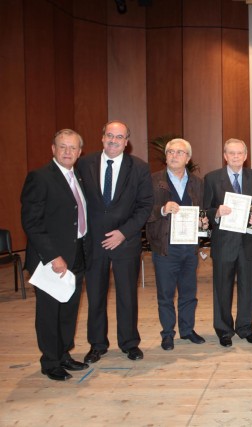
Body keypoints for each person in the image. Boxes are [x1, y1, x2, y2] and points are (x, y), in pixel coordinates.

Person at [76, 121, 153, 363]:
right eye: (109, 135)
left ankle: (129, 343)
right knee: (95, 296)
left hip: (125, 241)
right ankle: (97, 345)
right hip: (94, 241)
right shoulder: (84, 164)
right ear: (102, 137)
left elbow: (145, 206)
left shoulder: (139, 167)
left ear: (126, 142)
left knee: (127, 295)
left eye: (119, 137)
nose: (113, 140)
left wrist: (123, 232)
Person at [21, 129, 90, 381]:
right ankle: (50, 361)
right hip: (51, 260)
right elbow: (31, 223)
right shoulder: (40, 177)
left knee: (69, 308)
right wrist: (52, 256)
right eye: (63, 146)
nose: (67, 152)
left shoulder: (78, 176)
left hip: (77, 252)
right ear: (53, 149)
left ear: (79, 152)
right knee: (50, 312)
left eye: (73, 148)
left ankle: (63, 354)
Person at [145, 138, 208, 351]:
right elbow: (142, 211)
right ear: (166, 156)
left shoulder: (198, 183)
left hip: (189, 247)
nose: (174, 155)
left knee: (189, 293)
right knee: (165, 294)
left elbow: (204, 212)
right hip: (165, 247)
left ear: (188, 158)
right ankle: (167, 334)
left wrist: (203, 222)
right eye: (170, 152)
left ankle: (187, 330)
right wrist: (162, 210)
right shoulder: (152, 181)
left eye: (180, 152)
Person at [204, 138, 252, 347]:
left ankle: (245, 328)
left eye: (239, 153)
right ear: (225, 156)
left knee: (248, 288)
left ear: (246, 156)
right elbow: (205, 210)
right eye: (231, 153)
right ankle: (224, 330)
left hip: (248, 242)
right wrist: (216, 212)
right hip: (223, 243)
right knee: (222, 288)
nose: (236, 156)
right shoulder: (212, 178)